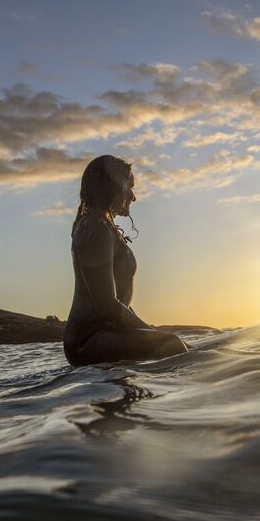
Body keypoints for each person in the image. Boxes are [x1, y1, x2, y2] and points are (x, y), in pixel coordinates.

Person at [63, 155, 188, 366]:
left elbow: (120, 304)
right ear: (113, 186)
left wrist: (152, 331)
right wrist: (155, 334)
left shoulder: (103, 226)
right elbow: (107, 304)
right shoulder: (94, 229)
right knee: (172, 345)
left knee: (190, 348)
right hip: (88, 339)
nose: (134, 197)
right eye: (129, 187)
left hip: (108, 332)